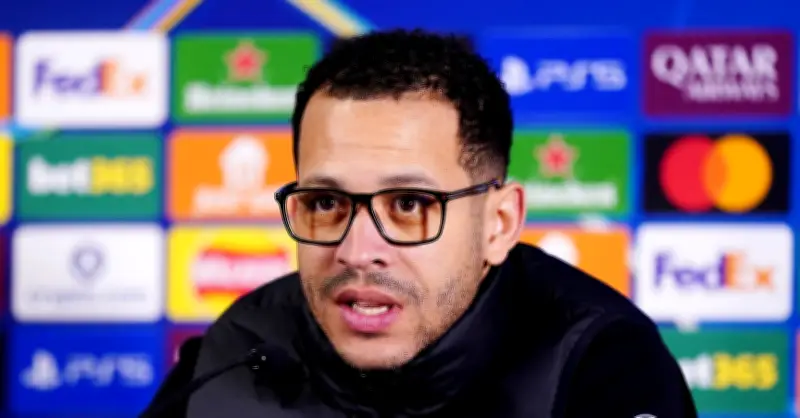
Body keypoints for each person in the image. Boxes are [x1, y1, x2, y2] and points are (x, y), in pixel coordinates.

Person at [142, 29, 697, 418]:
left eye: (408, 205)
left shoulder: (601, 366)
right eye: (327, 202)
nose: (357, 250)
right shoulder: (234, 354)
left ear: (499, 224)